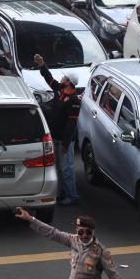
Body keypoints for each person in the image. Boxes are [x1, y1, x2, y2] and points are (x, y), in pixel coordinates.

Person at [14, 211, 131, 279]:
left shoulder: (102, 251)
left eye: (88, 232)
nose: (84, 235)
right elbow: (52, 233)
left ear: (93, 232)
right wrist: (31, 219)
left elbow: (114, 276)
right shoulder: (72, 240)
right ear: (76, 230)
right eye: (81, 232)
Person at [34, 54, 80, 205]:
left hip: (65, 140)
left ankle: (72, 196)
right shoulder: (61, 91)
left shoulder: (74, 100)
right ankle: (62, 192)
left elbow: (71, 124)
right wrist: (42, 65)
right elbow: (50, 80)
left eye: (64, 78)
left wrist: (66, 144)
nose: (61, 80)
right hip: (56, 137)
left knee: (67, 169)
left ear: (68, 82)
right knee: (59, 168)